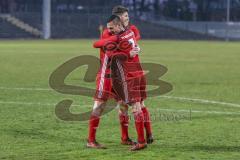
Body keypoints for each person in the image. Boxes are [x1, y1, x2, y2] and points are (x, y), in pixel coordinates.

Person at [91, 15, 147, 151]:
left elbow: (98, 45)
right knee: (106, 105)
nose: (108, 30)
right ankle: (92, 140)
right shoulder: (130, 32)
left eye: (111, 28)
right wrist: (129, 51)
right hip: (110, 75)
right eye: (124, 16)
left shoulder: (116, 36)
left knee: (129, 105)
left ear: (117, 25)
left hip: (123, 75)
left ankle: (135, 140)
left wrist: (121, 48)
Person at [111, 5, 153, 144]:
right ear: (117, 19)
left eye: (128, 16)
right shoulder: (111, 33)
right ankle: (129, 137)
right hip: (125, 74)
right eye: (124, 16)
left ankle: (144, 137)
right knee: (127, 104)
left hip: (130, 74)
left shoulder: (130, 30)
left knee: (134, 104)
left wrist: (135, 46)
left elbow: (134, 37)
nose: (127, 18)